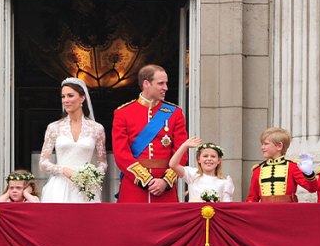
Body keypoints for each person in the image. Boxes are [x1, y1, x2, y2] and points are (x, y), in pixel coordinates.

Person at [112, 65, 188, 203]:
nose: (165, 88)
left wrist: (165, 181)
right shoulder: (123, 113)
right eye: (161, 83)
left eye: (166, 83)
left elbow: (181, 152)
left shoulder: (175, 113)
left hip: (165, 189)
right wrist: (146, 180)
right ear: (146, 83)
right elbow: (121, 153)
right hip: (134, 187)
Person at [39, 77, 108, 203]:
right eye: (63, 96)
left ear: (82, 98)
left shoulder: (97, 128)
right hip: (59, 187)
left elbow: (102, 163)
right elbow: (43, 162)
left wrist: (92, 176)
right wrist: (64, 170)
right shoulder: (54, 127)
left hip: (86, 189)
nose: (66, 100)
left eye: (70, 96)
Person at [246, 127, 318, 203]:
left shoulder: (292, 167)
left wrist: (309, 174)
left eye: (266, 144)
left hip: (287, 212)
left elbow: (312, 189)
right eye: (262, 144)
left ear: (279, 146)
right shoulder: (258, 170)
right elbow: (252, 198)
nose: (262, 147)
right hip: (265, 212)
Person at [169, 136, 235, 202]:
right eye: (205, 156)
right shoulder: (192, 175)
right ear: (198, 159)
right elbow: (173, 165)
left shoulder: (225, 182)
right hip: (194, 211)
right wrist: (184, 146)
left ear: (218, 160)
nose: (209, 159)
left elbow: (227, 205)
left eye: (213, 156)